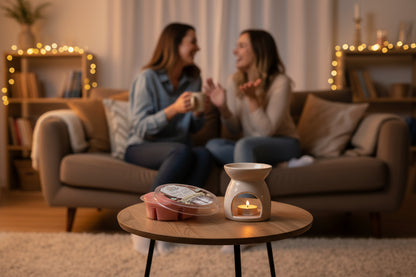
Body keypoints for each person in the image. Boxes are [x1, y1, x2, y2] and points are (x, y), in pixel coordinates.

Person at [124, 22, 212, 255]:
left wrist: (198, 113)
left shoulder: (193, 78)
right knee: (182, 151)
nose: (198, 47)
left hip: (177, 146)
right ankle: (146, 227)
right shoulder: (147, 78)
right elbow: (140, 127)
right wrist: (172, 110)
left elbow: (193, 128)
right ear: (175, 45)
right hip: (141, 146)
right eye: (192, 41)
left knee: (203, 154)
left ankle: (177, 224)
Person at [204, 29, 300, 167]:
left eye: (241, 46)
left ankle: (250, 183)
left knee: (244, 146)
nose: (235, 51)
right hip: (250, 145)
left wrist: (252, 99)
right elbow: (234, 128)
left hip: (284, 143)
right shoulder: (234, 80)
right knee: (213, 145)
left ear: (259, 51)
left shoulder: (280, 82)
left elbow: (266, 131)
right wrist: (223, 108)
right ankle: (260, 164)